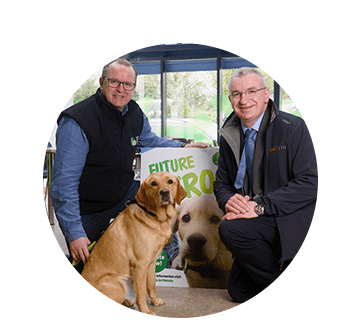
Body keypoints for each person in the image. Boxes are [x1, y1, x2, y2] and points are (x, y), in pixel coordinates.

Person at [51, 58, 208, 270]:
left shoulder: (134, 113)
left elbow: (150, 141)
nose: (121, 89)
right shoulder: (77, 121)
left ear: (134, 87)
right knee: (84, 267)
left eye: (128, 84)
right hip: (88, 208)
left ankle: (173, 261)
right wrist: (75, 233)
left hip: (124, 194)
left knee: (163, 204)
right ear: (101, 82)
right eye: (114, 82)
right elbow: (64, 184)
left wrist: (182, 148)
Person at [214, 68, 318, 302]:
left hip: (286, 217)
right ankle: (286, 282)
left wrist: (259, 207)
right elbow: (221, 184)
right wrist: (230, 201)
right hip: (252, 217)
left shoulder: (293, 127)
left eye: (251, 91)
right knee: (238, 292)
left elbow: (310, 183)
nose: (244, 100)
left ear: (266, 95)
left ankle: (286, 286)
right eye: (237, 94)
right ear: (230, 99)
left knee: (229, 229)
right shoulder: (228, 134)